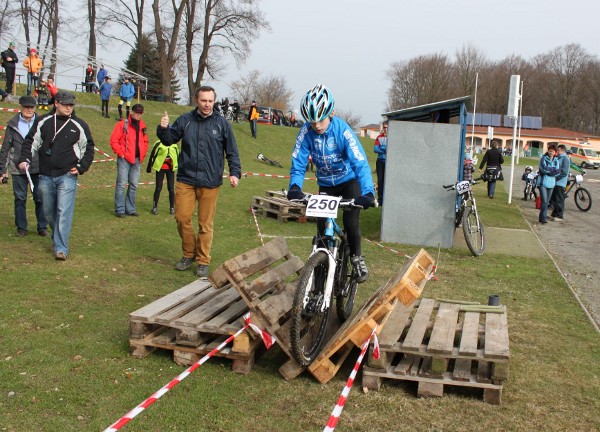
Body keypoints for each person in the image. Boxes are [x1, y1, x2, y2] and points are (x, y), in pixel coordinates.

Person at [287, 84, 375, 283]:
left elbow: (360, 163)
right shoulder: (306, 132)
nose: (316, 125)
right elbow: (298, 162)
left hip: (349, 181)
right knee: (321, 229)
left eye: (321, 119)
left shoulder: (342, 131)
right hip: (326, 185)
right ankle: (320, 270)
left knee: (351, 223)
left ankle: (356, 257)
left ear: (331, 112)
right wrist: (294, 187)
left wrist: (368, 193)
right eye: (312, 121)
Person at [156, 85, 241, 278]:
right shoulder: (185, 120)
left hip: (210, 182)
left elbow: (232, 151)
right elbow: (169, 139)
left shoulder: (221, 124)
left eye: (210, 101)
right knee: (182, 218)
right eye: (204, 101)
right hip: (186, 179)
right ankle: (189, 254)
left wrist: (235, 173)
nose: (207, 104)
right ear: (197, 100)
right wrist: (163, 129)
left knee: (205, 224)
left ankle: (203, 260)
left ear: (214, 101)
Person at [17, 91, 95, 260]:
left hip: (67, 175)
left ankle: (61, 248)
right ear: (56, 103)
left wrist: (81, 167)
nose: (68, 107)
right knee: (48, 212)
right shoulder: (42, 121)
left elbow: (88, 148)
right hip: (45, 175)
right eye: (65, 104)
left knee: (63, 211)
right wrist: (24, 159)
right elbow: (31, 141)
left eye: (71, 105)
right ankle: (57, 236)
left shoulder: (79, 125)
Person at [0, 96, 48, 238]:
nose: (29, 110)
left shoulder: (42, 123)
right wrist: (3, 170)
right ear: (21, 107)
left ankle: (42, 226)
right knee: (20, 198)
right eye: (26, 107)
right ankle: (21, 227)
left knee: (40, 198)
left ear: (35, 108)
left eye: (31, 107)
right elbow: (5, 148)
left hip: (38, 167)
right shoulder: (12, 125)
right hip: (17, 168)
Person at [110, 103, 149, 217]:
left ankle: (130, 209)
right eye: (136, 112)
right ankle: (120, 209)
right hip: (125, 159)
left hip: (137, 159)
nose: (138, 115)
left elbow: (145, 141)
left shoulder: (143, 126)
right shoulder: (122, 125)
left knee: (134, 185)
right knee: (122, 184)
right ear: (131, 112)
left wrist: (143, 154)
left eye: (140, 113)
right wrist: (121, 154)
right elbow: (114, 140)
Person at [146, 139, 179, 215]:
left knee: (171, 188)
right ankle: (154, 207)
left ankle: (172, 208)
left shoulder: (174, 145)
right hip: (160, 168)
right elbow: (152, 154)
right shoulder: (158, 143)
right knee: (158, 187)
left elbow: (178, 156)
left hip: (170, 169)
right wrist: (149, 167)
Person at [536, 144, 560, 225]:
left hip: (551, 184)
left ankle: (541, 216)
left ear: (555, 152)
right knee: (545, 201)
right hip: (543, 183)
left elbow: (557, 172)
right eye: (550, 151)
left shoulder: (556, 161)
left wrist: (550, 170)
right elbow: (543, 169)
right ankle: (544, 218)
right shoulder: (543, 159)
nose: (551, 152)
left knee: (547, 202)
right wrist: (552, 171)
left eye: (552, 151)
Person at [549, 144, 570, 222]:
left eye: (558, 150)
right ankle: (554, 214)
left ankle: (559, 215)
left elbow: (564, 172)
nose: (557, 151)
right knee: (554, 199)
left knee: (559, 199)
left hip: (560, 183)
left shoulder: (565, 159)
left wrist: (556, 178)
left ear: (562, 150)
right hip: (555, 183)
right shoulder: (558, 158)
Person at [373, 121, 388, 205]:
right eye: (384, 127)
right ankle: (381, 200)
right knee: (380, 180)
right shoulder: (379, 137)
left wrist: (381, 148)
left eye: (387, 127)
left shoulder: (393, 137)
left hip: (388, 162)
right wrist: (385, 149)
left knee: (387, 181)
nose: (385, 129)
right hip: (380, 161)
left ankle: (387, 199)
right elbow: (375, 149)